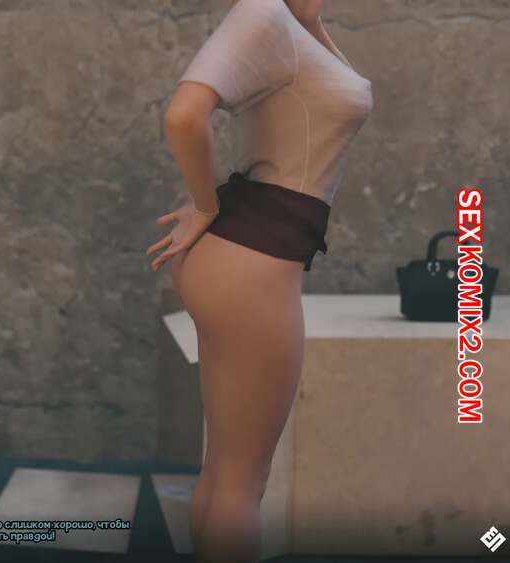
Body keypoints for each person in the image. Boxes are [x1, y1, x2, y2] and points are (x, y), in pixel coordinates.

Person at [146, 1, 372, 561]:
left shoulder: (289, 25)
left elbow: (340, 93)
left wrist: (311, 18)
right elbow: (183, 115)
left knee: (226, 471)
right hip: (250, 261)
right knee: (243, 481)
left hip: (243, 257)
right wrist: (204, 204)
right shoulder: (262, 12)